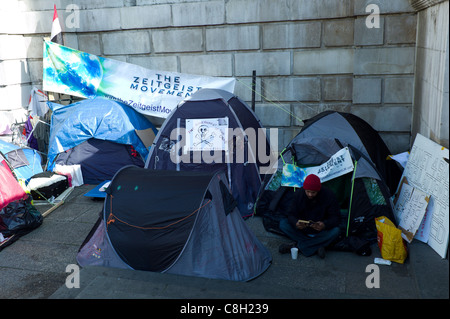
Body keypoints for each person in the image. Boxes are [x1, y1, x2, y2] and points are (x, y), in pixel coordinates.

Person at [278, 174, 341, 259]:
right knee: (283, 224)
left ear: (318, 190)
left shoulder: (329, 195)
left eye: (313, 192)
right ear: (304, 189)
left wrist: (324, 224)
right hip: (302, 230)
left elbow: (335, 217)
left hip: (320, 231)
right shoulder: (299, 194)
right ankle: (317, 245)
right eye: (308, 191)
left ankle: (297, 246)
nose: (310, 194)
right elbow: (290, 214)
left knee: (336, 231)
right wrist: (296, 223)